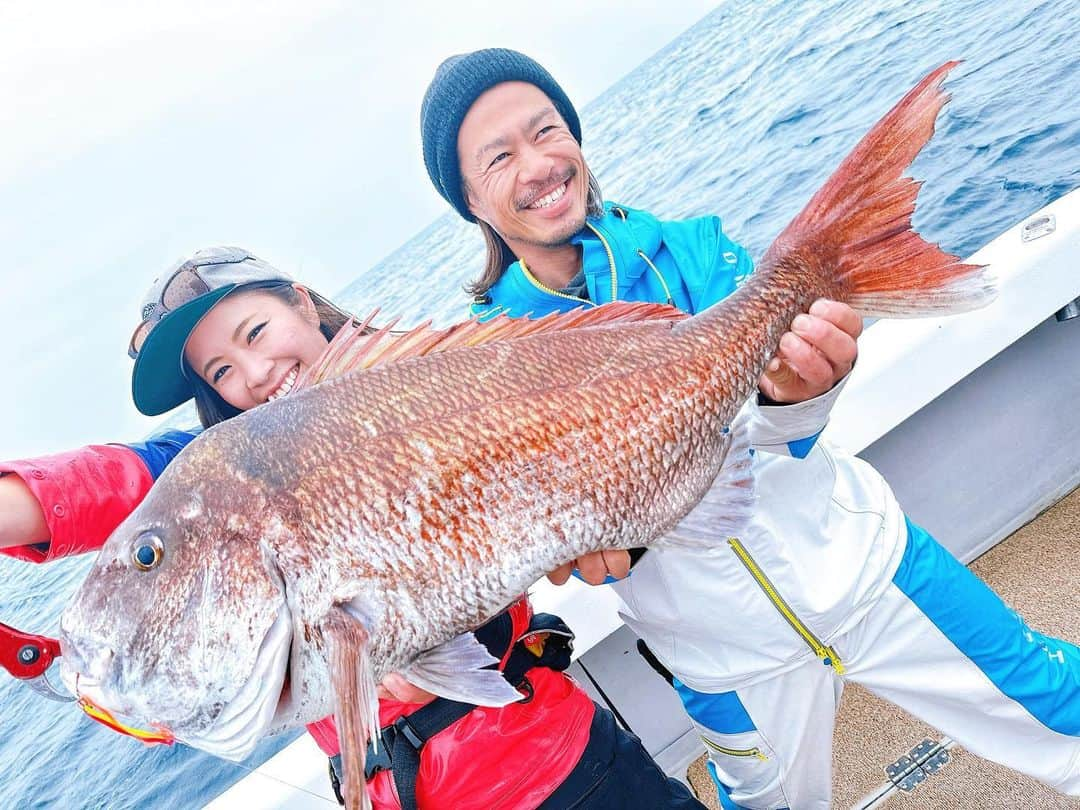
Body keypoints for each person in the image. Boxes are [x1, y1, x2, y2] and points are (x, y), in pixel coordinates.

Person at [418, 48, 1080, 808]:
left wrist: (807, 390)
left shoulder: (693, 251)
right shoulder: (483, 367)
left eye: (546, 130)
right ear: (469, 200)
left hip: (864, 569)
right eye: (499, 157)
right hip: (722, 659)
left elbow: (786, 437)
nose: (537, 164)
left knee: (1059, 709)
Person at [0, 246, 706, 809]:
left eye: (256, 332)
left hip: (561, 773)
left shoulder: (432, 377)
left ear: (301, 303)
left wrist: (617, 534)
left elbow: (587, 453)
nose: (256, 371)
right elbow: (103, 486)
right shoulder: (221, 482)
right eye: (221, 370)